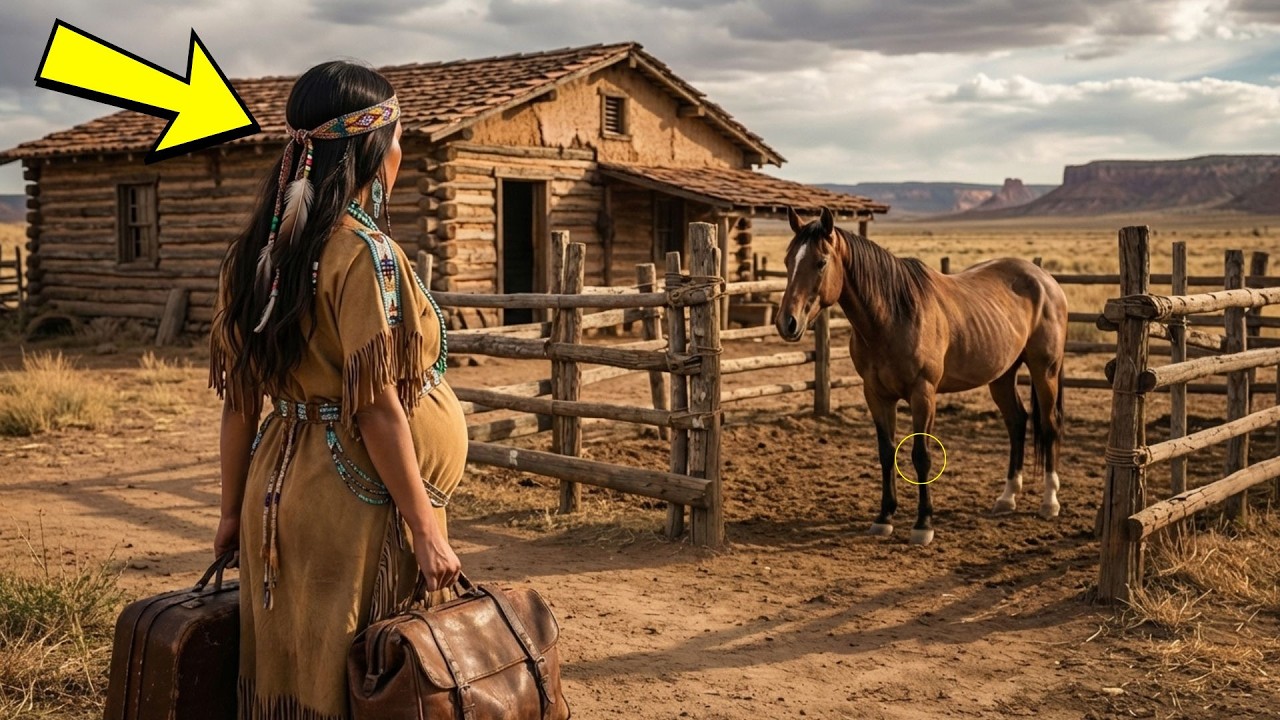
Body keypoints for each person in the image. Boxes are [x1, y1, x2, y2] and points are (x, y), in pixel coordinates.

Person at [210, 60, 466, 720]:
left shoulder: (254, 254)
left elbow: (240, 404)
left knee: (292, 665)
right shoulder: (363, 254)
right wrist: (425, 529)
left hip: (275, 490)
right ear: (373, 149)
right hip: (355, 499)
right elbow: (376, 407)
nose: (400, 153)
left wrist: (232, 514)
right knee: (362, 672)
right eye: (398, 138)